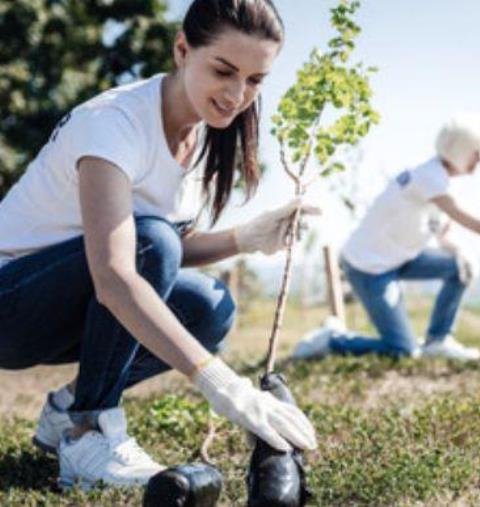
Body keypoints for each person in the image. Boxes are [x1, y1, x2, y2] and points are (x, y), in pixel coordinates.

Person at [0, 0, 318, 491]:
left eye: (254, 81)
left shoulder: (198, 135)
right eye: (224, 70)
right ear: (182, 49)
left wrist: (243, 238)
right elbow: (118, 274)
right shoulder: (114, 123)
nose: (237, 95)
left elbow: (165, 247)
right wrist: (224, 387)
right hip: (11, 304)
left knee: (210, 307)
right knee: (152, 246)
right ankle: (90, 431)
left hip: (67, 299)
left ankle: (66, 413)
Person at [293, 114, 480, 362]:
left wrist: (459, 252)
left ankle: (438, 341)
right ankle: (332, 340)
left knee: (458, 269)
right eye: (477, 152)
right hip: (369, 267)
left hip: (401, 256)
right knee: (401, 350)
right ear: (461, 150)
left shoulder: (441, 180)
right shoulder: (430, 178)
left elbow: (443, 232)